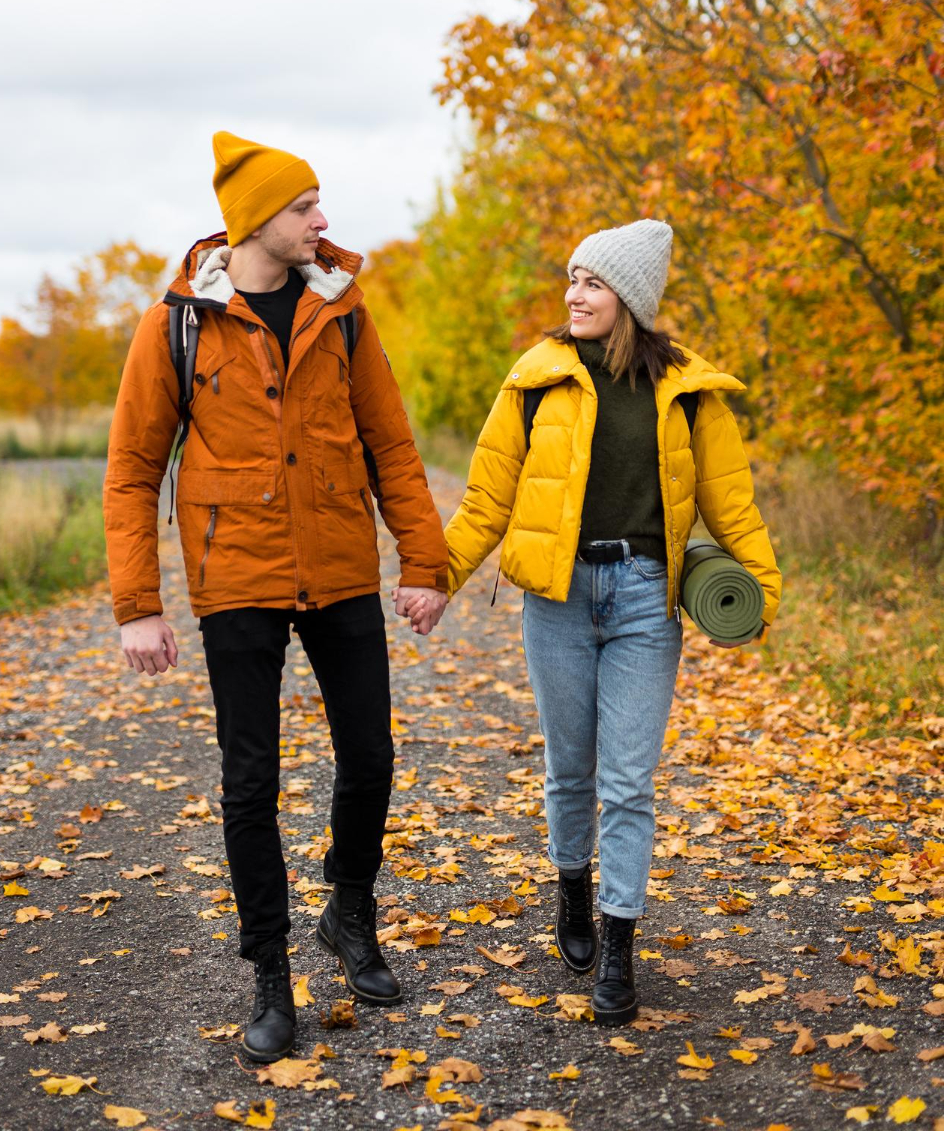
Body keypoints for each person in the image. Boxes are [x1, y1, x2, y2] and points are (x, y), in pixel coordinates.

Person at [103, 131, 448, 1061]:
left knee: (369, 757)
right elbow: (134, 471)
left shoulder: (344, 310)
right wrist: (139, 603)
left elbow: (393, 443)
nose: (322, 221)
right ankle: (270, 968)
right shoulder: (177, 323)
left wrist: (424, 562)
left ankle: (349, 910)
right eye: (305, 208)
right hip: (238, 579)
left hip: (339, 569)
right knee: (250, 782)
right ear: (256, 218)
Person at [435, 219, 781, 1026]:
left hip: (644, 598)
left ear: (628, 296)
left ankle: (620, 946)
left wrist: (759, 588)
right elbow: (488, 497)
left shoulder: (687, 391)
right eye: (571, 278)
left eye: (591, 281)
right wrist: (438, 578)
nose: (573, 294)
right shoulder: (536, 379)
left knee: (629, 781)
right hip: (556, 598)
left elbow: (732, 501)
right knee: (571, 770)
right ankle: (572, 890)